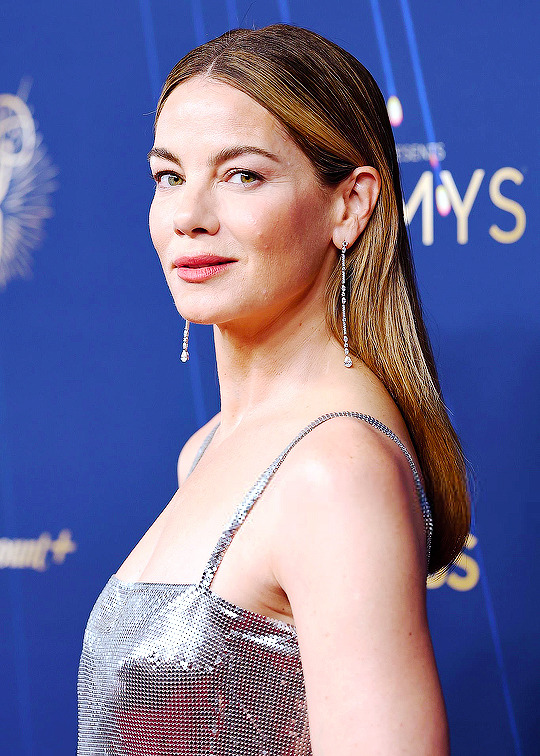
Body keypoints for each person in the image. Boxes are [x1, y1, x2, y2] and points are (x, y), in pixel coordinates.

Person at [77, 23, 470, 756]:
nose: (189, 217)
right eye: (169, 177)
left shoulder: (335, 473)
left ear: (349, 205)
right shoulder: (207, 449)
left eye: (243, 176)